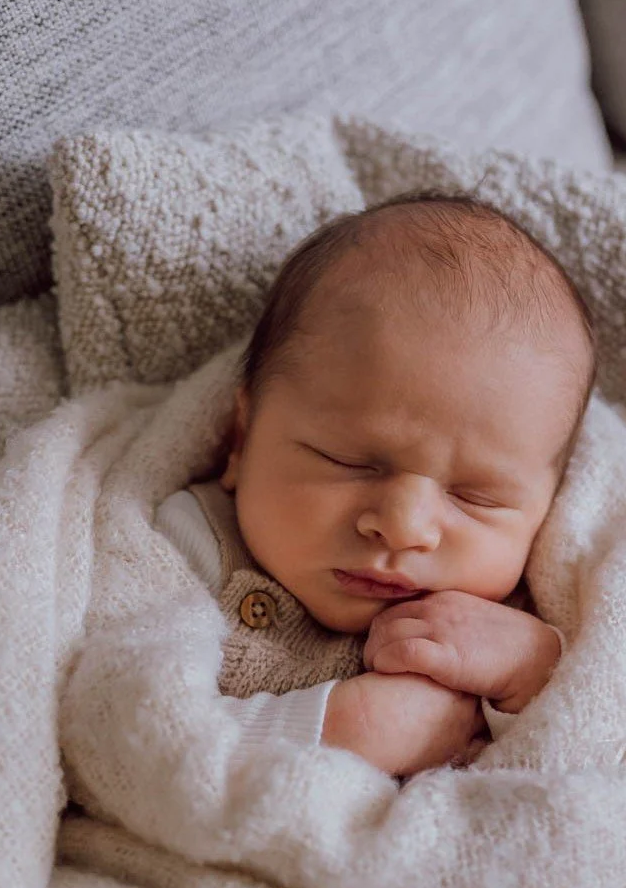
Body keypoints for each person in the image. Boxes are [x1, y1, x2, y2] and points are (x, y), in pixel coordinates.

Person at [153, 192, 597, 777]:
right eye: (348, 460)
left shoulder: (524, 622)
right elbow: (121, 730)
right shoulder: (180, 548)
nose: (403, 526)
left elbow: (597, 758)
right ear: (241, 439)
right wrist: (339, 731)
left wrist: (536, 676)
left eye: (475, 496)